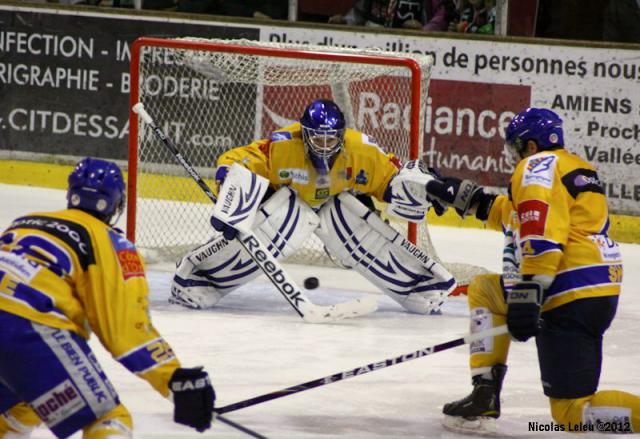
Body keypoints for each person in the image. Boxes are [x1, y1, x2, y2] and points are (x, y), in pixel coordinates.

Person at [423, 108, 640, 434]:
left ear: (532, 145)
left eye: (516, 148)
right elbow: (517, 216)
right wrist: (465, 198)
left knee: (571, 413)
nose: (514, 157)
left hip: (564, 289)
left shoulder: (536, 166)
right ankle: (486, 392)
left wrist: (530, 290)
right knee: (485, 290)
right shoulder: (574, 166)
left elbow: (540, 229)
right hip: (596, 289)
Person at [170, 98, 456, 315]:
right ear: (304, 134)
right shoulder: (282, 147)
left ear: (342, 135)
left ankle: (417, 283)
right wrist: (231, 195)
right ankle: (199, 277)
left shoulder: (361, 151)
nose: (324, 145)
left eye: (331, 139)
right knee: (291, 217)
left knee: (345, 212)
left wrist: (423, 187)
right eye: (317, 138)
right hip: (288, 209)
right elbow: (239, 160)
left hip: (336, 211)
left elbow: (393, 178)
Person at [0, 158, 214, 437]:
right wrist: (173, 379)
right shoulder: (111, 241)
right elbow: (124, 329)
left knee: (21, 406)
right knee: (109, 419)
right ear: (116, 204)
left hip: (16, 327)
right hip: (27, 328)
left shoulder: (23, 223)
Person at [328, 0, 451, 32]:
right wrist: (345, 22)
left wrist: (423, 30)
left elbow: (441, 17)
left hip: (411, 45)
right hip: (373, 42)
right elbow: (358, 13)